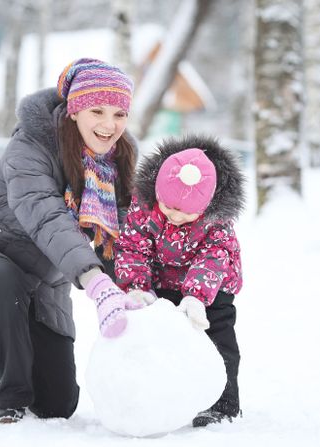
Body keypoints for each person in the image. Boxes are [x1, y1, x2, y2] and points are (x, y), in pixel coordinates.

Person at [0, 58, 152, 424]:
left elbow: (126, 236)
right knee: (3, 281)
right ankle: (12, 399)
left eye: (119, 114)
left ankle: (32, 377)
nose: (109, 125)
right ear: (73, 112)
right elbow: (45, 214)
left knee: (57, 405)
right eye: (97, 110)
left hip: (44, 281)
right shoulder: (31, 146)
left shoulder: (119, 161)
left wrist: (137, 288)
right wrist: (96, 283)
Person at [114, 134, 246, 427]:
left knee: (217, 337)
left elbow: (214, 257)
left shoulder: (216, 221)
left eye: (186, 213)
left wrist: (197, 296)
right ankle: (163, 397)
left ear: (206, 207)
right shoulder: (144, 206)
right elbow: (132, 246)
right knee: (163, 340)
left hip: (213, 287)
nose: (174, 216)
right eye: (168, 207)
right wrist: (137, 287)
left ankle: (224, 404)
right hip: (162, 282)